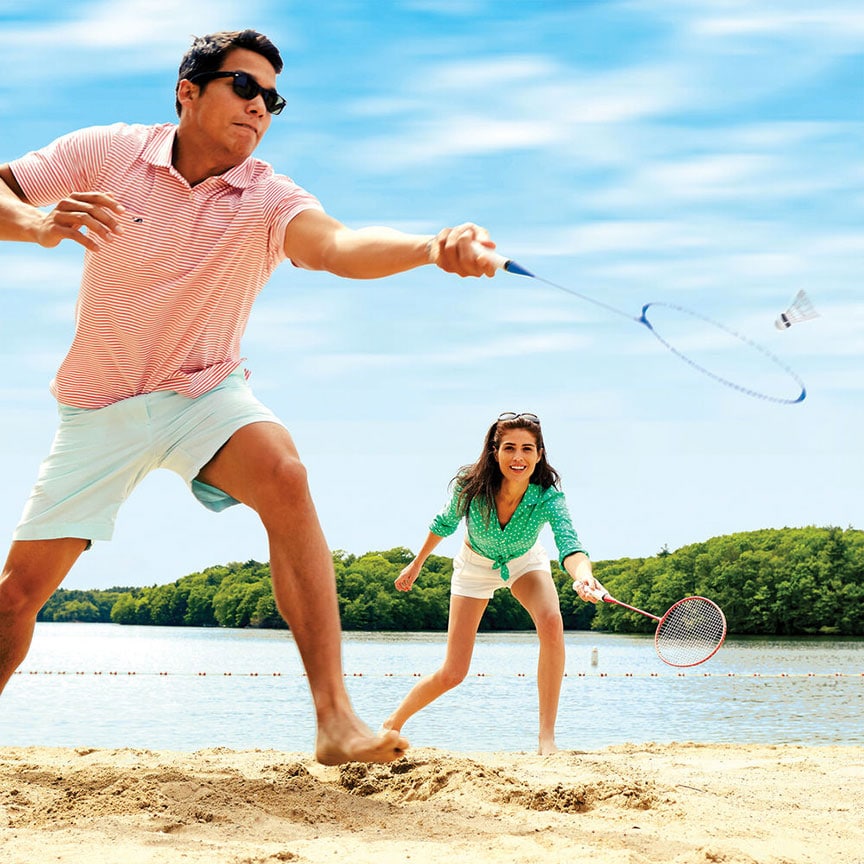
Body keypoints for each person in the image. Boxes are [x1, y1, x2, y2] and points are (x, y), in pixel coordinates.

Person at [0, 29, 503, 766]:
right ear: (188, 93)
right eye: (245, 87)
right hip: (99, 406)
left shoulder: (269, 197)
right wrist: (36, 222)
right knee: (16, 596)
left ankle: (336, 720)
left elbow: (337, 246)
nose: (260, 106)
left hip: (205, 394)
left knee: (284, 473)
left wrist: (430, 248)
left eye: (274, 99)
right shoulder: (109, 152)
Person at [384, 412, 605, 755]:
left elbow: (570, 545)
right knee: (454, 672)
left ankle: (546, 739)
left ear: (539, 453)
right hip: (474, 566)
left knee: (551, 623)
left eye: (527, 449)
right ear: (494, 451)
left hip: (524, 562)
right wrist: (416, 563)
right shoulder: (470, 487)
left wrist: (584, 576)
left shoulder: (548, 497)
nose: (519, 457)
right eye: (510, 448)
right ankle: (391, 725)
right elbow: (443, 524)